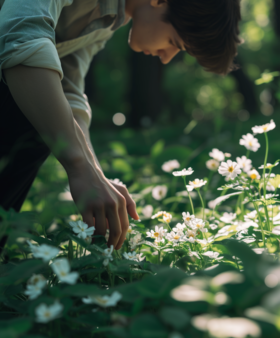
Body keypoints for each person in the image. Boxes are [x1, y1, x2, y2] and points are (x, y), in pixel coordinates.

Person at [0, 0, 241, 250]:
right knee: (39, 109)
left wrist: (94, 173)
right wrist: (79, 166)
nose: (167, 58)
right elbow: (20, 38)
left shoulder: (110, 17)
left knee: (47, 117)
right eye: (174, 43)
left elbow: (68, 88)